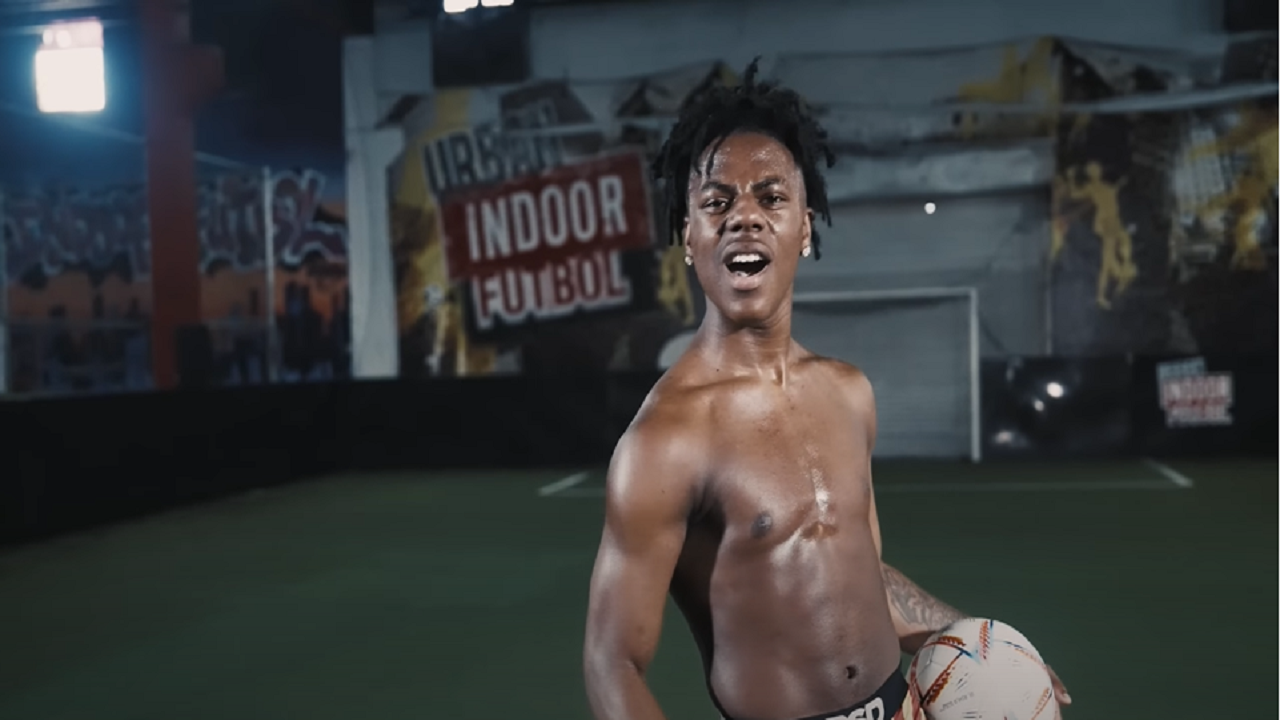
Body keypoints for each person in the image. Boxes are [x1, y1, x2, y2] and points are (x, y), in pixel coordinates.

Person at [582, 60, 1071, 720]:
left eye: (770, 197)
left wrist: (982, 646)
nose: (744, 217)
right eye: (717, 203)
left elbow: (859, 573)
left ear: (805, 228)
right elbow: (612, 663)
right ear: (688, 236)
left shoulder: (849, 393)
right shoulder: (664, 439)